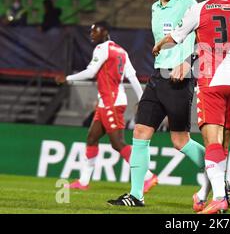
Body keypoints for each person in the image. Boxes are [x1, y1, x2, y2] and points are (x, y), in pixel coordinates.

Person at [152, 0, 230, 214]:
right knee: (222, 146)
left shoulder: (199, 8)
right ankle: (203, 195)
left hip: (212, 81)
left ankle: (220, 197)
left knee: (211, 142)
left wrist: (159, 44)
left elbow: (175, 37)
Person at [108, 0, 210, 209]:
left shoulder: (190, 5)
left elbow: (205, 42)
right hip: (157, 77)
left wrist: (188, 63)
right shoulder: (154, 7)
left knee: (180, 140)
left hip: (179, 80)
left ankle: (219, 176)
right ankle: (136, 195)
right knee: (140, 133)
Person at [55, 21, 157, 193]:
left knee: (118, 143)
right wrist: (142, 98)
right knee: (92, 139)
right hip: (107, 102)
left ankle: (148, 176)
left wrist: (68, 78)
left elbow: (91, 72)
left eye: (95, 30)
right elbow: (133, 77)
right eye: (91, 31)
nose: (92, 33)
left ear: (105, 32)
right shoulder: (122, 51)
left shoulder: (102, 49)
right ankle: (84, 181)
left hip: (111, 102)